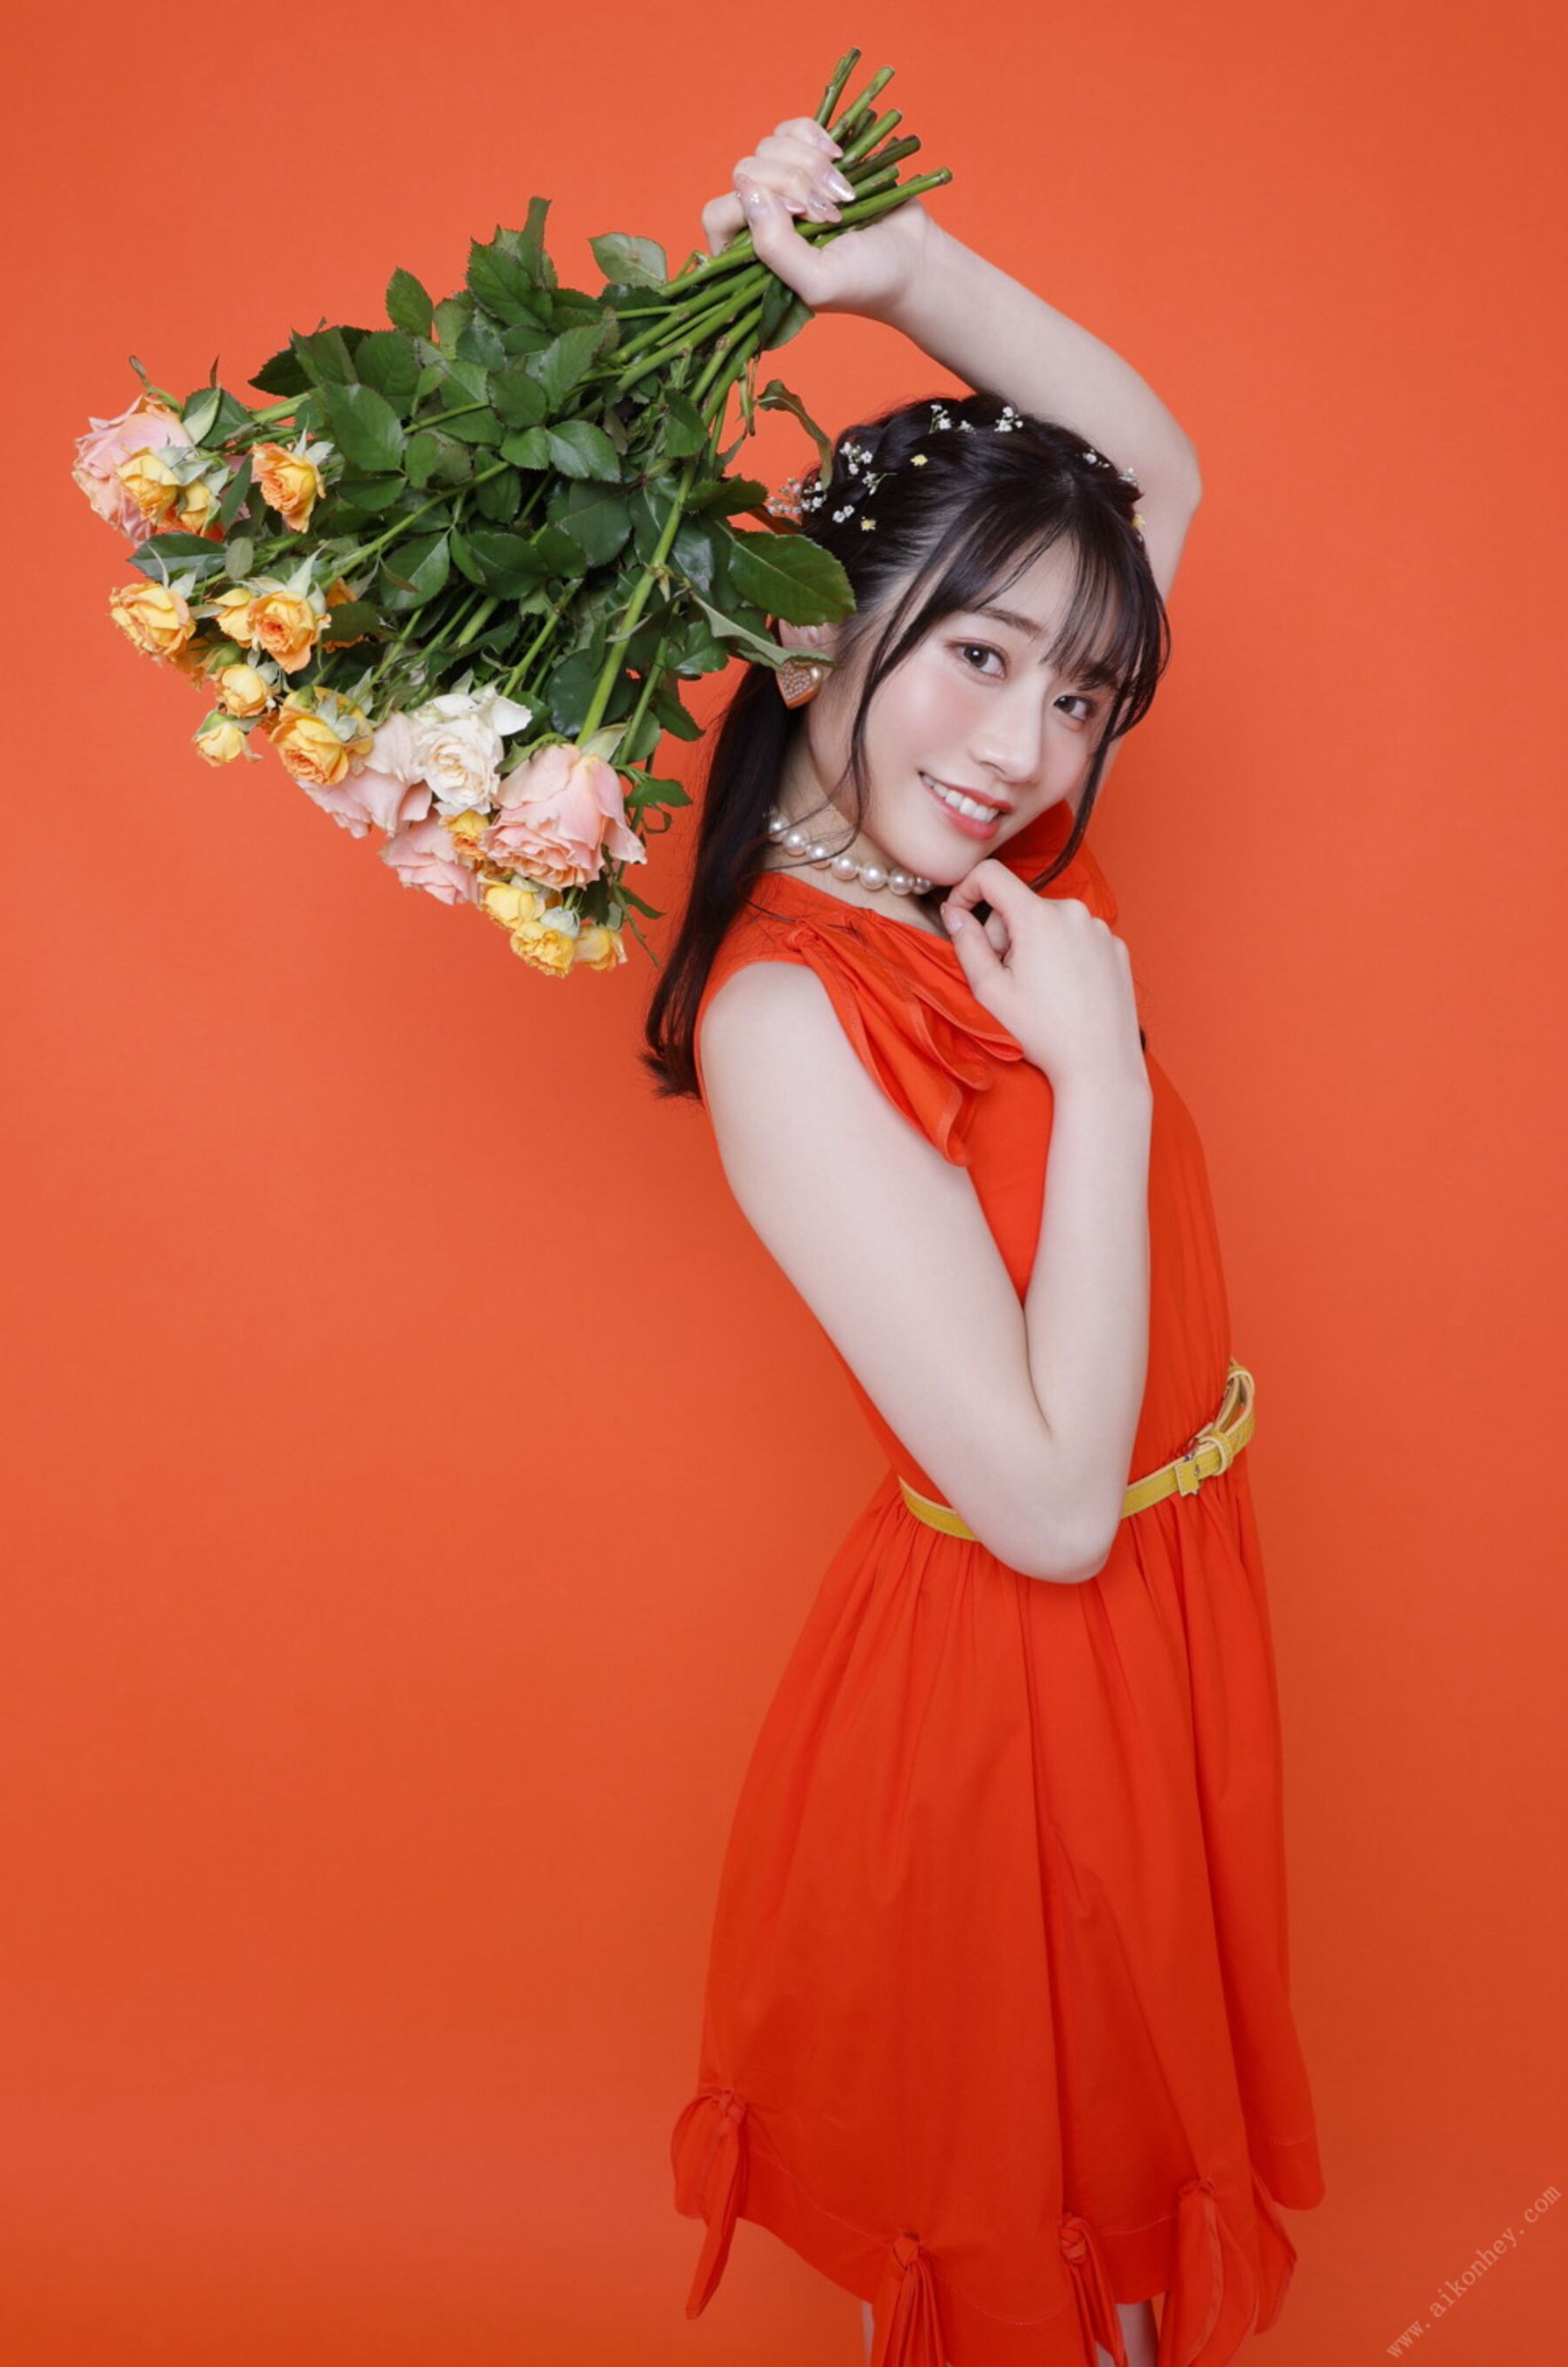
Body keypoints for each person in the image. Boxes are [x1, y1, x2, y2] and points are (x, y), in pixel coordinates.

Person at [644, 112, 1325, 2367]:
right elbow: (1043, 1510)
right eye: (978, 656)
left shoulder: (990, 886)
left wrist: (902, 273)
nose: (1030, 744)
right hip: (1018, 1700)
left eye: (1082, 692)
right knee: (1049, 2271)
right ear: (811, 631)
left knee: (1122, 2265)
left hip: (1163, 1627)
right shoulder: (789, 1013)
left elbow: (1153, 474)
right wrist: (1099, 1082)